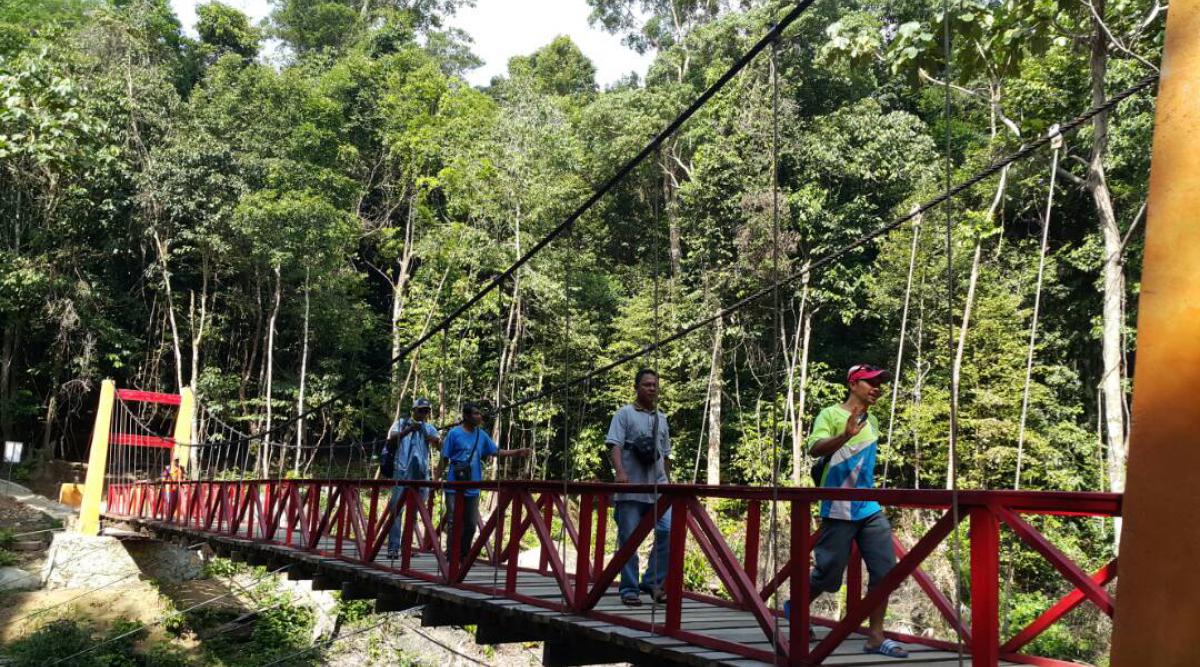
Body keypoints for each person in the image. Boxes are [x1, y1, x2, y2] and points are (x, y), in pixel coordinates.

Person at [799, 363, 908, 659]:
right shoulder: (831, 414)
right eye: (871, 382)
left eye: (880, 383)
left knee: (885, 571)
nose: (877, 388)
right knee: (828, 575)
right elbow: (815, 448)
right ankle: (797, 610)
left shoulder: (871, 421)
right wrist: (845, 435)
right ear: (853, 384)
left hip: (868, 507)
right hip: (837, 507)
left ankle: (875, 635)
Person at [605, 368, 672, 607]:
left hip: (658, 488)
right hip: (631, 488)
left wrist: (669, 483)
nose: (651, 388)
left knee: (669, 531)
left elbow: (665, 454)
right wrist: (620, 472)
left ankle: (653, 582)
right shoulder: (624, 414)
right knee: (629, 540)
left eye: (654, 385)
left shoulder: (661, 418)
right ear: (637, 387)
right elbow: (614, 444)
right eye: (646, 385)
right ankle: (629, 589)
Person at [433, 402, 530, 560]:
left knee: (471, 524)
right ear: (466, 416)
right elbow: (444, 458)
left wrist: (516, 452)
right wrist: (436, 480)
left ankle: (463, 555)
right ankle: (451, 555)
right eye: (476, 413)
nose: (479, 416)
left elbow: (496, 451)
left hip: (473, 486)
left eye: (479, 413)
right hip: (453, 485)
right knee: (453, 521)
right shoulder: (454, 433)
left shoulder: (481, 435)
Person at [384, 397, 441, 560]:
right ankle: (393, 548)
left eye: (426, 411)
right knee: (396, 510)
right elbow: (391, 439)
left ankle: (406, 547)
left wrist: (435, 440)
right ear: (414, 410)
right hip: (401, 471)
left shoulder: (428, 428)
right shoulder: (401, 423)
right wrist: (409, 430)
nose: (424, 413)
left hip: (421, 475)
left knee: (415, 512)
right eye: (421, 410)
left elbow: (440, 446)